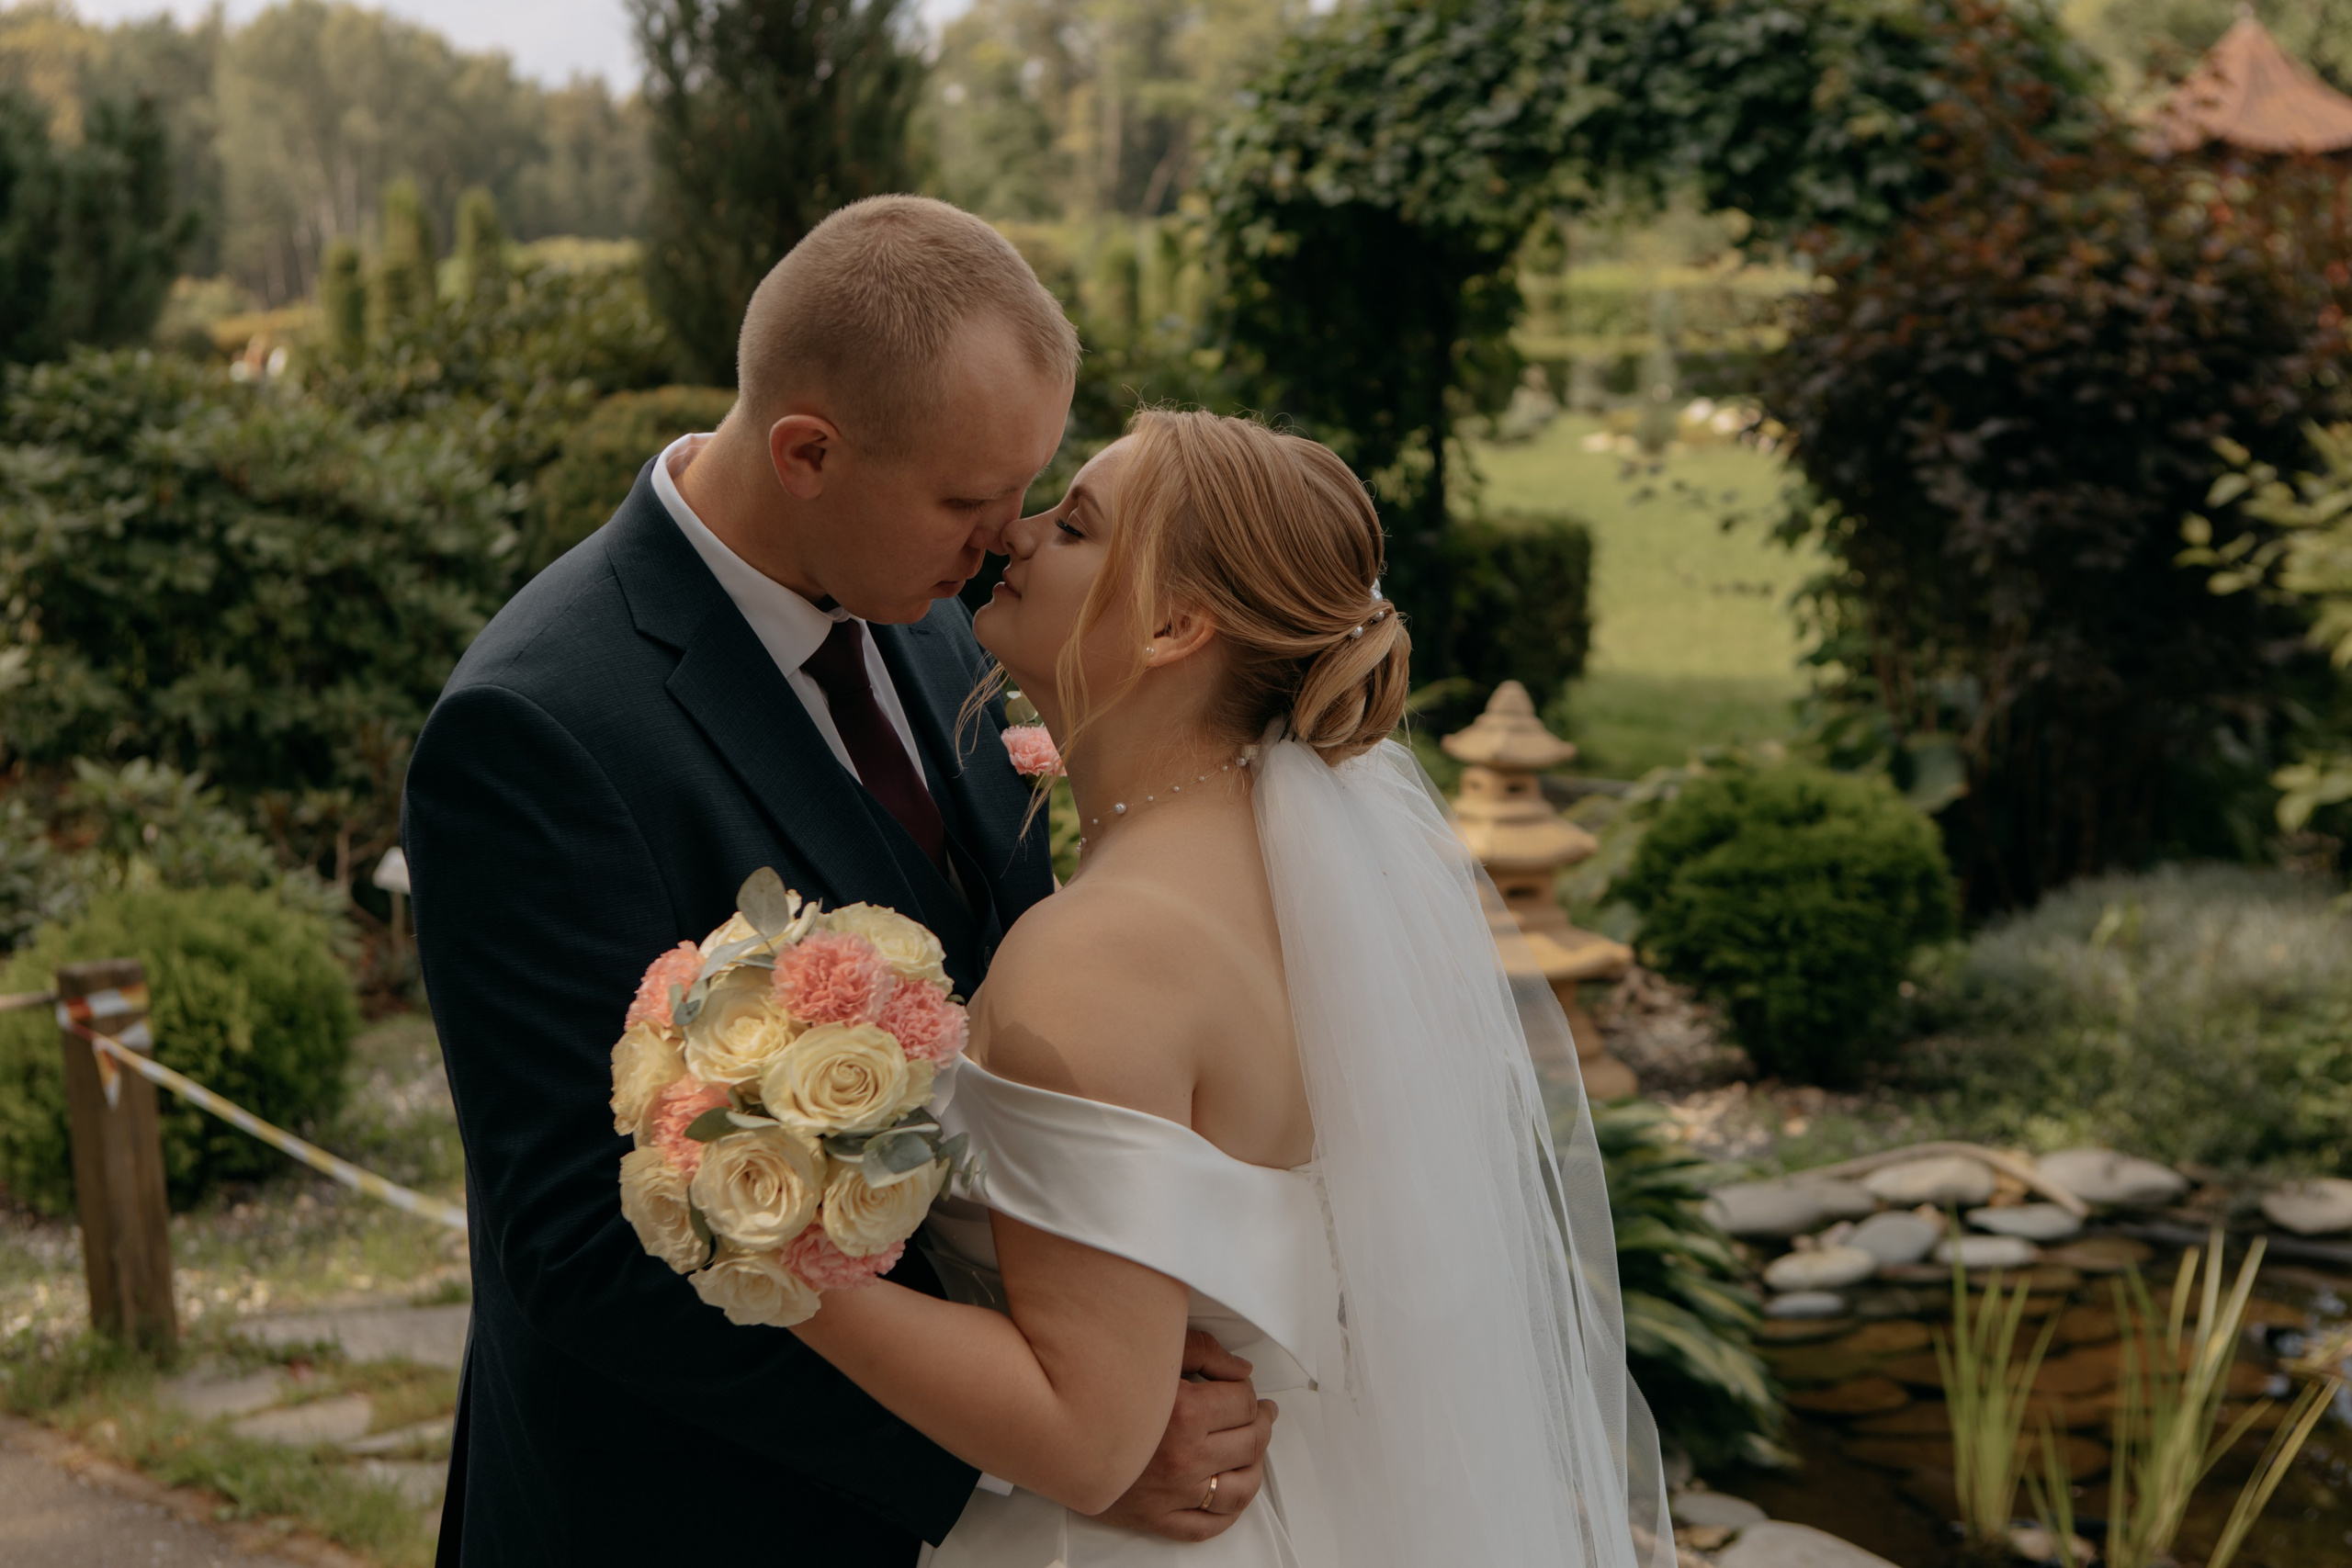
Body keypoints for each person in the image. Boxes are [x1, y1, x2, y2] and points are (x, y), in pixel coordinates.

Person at [402, 197, 1276, 1568]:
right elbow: (581, 1247)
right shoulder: (537, 727)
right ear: (808, 450)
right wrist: (1041, 1446)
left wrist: (1103, 1353)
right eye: (968, 499)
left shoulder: (940, 616)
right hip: (694, 1516)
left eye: (1027, 486)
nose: (1006, 540)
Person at [782, 408, 1674, 1568]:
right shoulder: (1286, 871)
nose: (1021, 532)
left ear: (1171, 626)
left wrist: (759, 1239)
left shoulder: (1100, 955)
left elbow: (1087, 1436)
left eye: (1078, 522)